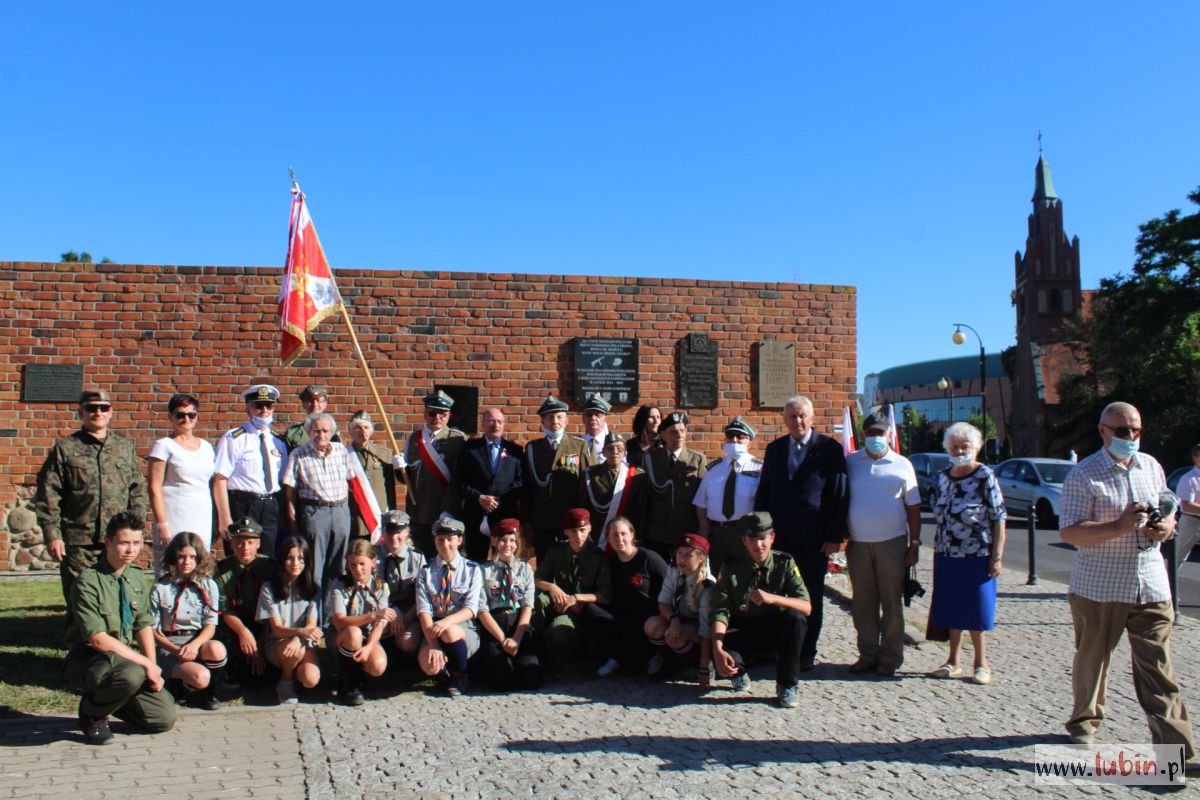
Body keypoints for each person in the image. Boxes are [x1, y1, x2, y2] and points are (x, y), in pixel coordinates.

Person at [1059, 402, 1195, 759]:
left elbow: (1168, 505)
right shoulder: (1083, 474)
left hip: (1151, 584)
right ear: (1103, 431)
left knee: (1158, 669)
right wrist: (1118, 525)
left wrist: (1166, 527)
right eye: (1123, 431)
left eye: (1136, 430)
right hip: (1099, 587)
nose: (1131, 436)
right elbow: (1070, 531)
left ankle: (1176, 753)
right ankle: (1084, 722)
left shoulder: (1151, 465)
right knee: (1093, 660)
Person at [754, 395, 849, 671]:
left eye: (802, 416)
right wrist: (760, 531)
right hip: (779, 537)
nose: (798, 421)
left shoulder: (829, 448)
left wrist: (834, 536)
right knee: (776, 592)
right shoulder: (775, 449)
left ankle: (806, 651)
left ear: (812, 418)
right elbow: (765, 491)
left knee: (810, 594)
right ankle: (778, 647)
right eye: (792, 416)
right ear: (784, 420)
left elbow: (839, 494)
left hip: (814, 538)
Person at [64, 512, 175, 745]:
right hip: (90, 660)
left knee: (163, 719)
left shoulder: (135, 577)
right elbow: (97, 639)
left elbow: (143, 624)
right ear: (108, 542)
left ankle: (114, 700)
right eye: (124, 543)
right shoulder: (87, 581)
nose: (130, 550)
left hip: (124, 660)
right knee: (131, 674)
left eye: (136, 543)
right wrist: (144, 664)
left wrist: (152, 666)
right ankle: (92, 714)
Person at [38, 389, 147, 601]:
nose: (98, 412)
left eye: (103, 408)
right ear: (81, 413)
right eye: (91, 408)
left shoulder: (124, 448)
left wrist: (136, 531)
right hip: (79, 540)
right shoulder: (66, 449)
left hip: (118, 539)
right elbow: (48, 494)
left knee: (117, 595)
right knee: (81, 596)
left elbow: (137, 492)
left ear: (110, 412)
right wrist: (53, 535)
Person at [927, 421, 1006, 686]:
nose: (959, 451)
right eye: (954, 447)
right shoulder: (944, 476)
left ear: (976, 447)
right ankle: (953, 661)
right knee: (951, 607)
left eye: (965, 446)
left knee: (977, 609)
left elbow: (999, 517)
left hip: (977, 555)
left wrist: (997, 556)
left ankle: (981, 663)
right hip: (947, 554)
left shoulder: (984, 476)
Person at [844, 410, 922, 677]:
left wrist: (915, 543)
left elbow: (913, 508)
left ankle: (890, 657)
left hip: (892, 542)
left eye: (879, 433)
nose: (875, 437)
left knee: (892, 603)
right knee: (863, 603)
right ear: (863, 435)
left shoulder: (902, 464)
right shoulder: (851, 462)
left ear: (888, 435)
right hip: (858, 543)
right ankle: (867, 654)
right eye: (870, 433)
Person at [709, 512, 812, 709]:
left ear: (772, 537)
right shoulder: (731, 567)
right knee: (725, 653)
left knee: (796, 618)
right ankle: (738, 673)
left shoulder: (784, 563)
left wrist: (773, 598)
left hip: (774, 629)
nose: (758, 545)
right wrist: (717, 649)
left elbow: (806, 607)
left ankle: (787, 685)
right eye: (752, 539)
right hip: (743, 628)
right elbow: (720, 610)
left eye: (763, 538)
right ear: (743, 540)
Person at [149, 532, 227, 710]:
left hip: (197, 642)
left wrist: (194, 645)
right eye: (181, 557)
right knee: (200, 677)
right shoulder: (160, 588)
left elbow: (210, 625)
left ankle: (209, 693)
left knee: (217, 649)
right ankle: (179, 687)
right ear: (173, 558)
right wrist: (176, 651)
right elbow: (153, 631)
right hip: (170, 646)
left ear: (199, 559)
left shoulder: (208, 585)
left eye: (192, 557)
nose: (187, 562)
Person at [282, 412, 356, 593]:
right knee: (315, 564)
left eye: (325, 431)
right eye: (316, 431)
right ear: (309, 432)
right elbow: (290, 492)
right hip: (315, 512)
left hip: (340, 511)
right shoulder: (298, 454)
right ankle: (315, 606)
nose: (321, 435)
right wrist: (292, 522)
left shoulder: (341, 451)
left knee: (339, 563)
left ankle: (335, 605)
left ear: (332, 432)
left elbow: (352, 482)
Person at [534, 508, 614, 671]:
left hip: (579, 608)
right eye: (573, 531)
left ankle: (560, 661)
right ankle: (533, 650)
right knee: (536, 601)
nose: (578, 536)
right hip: (558, 600)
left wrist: (576, 598)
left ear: (589, 528)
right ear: (566, 532)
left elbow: (605, 595)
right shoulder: (557, 551)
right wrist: (552, 587)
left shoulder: (598, 557)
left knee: (557, 633)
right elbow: (536, 579)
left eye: (582, 530)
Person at [212, 384, 288, 556]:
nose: (264, 410)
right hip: (244, 505)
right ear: (248, 409)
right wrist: (224, 517)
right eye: (258, 406)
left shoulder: (279, 442)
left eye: (268, 405)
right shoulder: (234, 438)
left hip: (271, 506)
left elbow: (282, 480)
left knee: (269, 559)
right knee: (241, 557)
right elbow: (220, 479)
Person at [414, 517, 484, 697]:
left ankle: (461, 674)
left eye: (450, 539)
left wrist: (447, 622)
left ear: (459, 540)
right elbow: (424, 610)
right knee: (429, 664)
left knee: (450, 631)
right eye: (440, 540)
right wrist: (433, 644)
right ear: (435, 541)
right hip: (434, 627)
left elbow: (471, 609)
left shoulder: (472, 569)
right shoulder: (426, 572)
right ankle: (445, 673)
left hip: (462, 627)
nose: (445, 544)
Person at [147, 393, 215, 576]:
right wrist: (162, 524)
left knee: (200, 566)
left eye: (191, 415)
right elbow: (154, 488)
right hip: (175, 514)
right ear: (170, 417)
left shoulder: (207, 447)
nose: (186, 419)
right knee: (172, 567)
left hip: (202, 515)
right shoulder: (163, 446)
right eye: (180, 415)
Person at [394, 390, 467, 556]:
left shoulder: (457, 440)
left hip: (446, 510)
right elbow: (407, 479)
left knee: (446, 557)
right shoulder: (414, 439)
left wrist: (449, 508)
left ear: (449, 415)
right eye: (432, 413)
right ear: (425, 414)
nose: (437, 417)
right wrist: (399, 469)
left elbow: (460, 478)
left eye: (443, 414)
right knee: (421, 557)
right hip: (420, 511)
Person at [446, 407, 524, 562]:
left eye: (500, 421)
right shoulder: (469, 449)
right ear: (482, 424)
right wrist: (479, 497)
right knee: (475, 559)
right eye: (491, 421)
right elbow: (459, 481)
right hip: (476, 513)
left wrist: (499, 500)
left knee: (504, 559)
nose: (496, 425)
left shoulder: (515, 450)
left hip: (505, 513)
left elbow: (520, 481)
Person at [476, 518, 542, 690]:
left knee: (531, 680)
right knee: (502, 681)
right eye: (503, 540)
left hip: (518, 625)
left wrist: (517, 638)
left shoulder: (524, 569)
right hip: (495, 627)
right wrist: (503, 640)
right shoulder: (483, 571)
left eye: (512, 540)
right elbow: (482, 609)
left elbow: (527, 605)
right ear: (493, 541)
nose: (508, 545)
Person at [523, 395, 591, 559]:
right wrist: (526, 521)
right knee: (544, 563)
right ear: (543, 422)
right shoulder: (532, 448)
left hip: (570, 519)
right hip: (541, 519)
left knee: (571, 563)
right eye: (550, 417)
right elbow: (526, 487)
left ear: (566, 421)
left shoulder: (579, 446)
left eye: (559, 417)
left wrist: (583, 516)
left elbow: (586, 485)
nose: (555, 421)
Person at [327, 539, 394, 706]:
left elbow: (380, 624)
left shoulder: (381, 586)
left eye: (362, 564)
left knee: (378, 665)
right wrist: (372, 615)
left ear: (373, 562)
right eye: (353, 565)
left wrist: (369, 647)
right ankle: (347, 685)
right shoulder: (340, 584)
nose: (357, 569)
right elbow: (340, 622)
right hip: (342, 637)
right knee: (354, 633)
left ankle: (359, 678)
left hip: (368, 636)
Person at [257, 536, 323, 704]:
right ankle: (285, 680)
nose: (295, 563)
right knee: (295, 650)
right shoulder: (269, 588)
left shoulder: (314, 588)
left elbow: (311, 625)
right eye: (290, 558)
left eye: (300, 558)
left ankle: (298, 675)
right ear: (282, 561)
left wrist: (298, 638)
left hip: (305, 642)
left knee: (311, 679)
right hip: (277, 643)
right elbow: (277, 629)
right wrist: (300, 633)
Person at [600, 517, 669, 677]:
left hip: (650, 617)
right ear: (608, 539)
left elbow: (670, 588)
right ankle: (616, 657)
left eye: (623, 533)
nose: (619, 539)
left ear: (632, 534)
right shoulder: (610, 563)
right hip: (623, 616)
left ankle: (656, 655)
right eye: (614, 535)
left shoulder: (649, 558)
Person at [645, 533, 716, 685]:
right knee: (653, 625)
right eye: (679, 553)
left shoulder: (707, 585)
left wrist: (704, 667)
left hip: (700, 630)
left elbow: (706, 629)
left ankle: (699, 663)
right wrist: (674, 620)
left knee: (677, 636)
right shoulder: (673, 570)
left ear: (701, 558)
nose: (681, 559)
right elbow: (663, 602)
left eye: (688, 555)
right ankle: (670, 662)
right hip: (679, 619)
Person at [214, 516, 276, 691]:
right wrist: (243, 632)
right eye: (239, 543)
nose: (245, 548)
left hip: (265, 625)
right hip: (236, 626)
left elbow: (274, 612)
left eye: (250, 542)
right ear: (232, 544)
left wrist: (260, 645)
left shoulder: (271, 568)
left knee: (265, 675)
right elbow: (226, 610)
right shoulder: (222, 571)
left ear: (258, 543)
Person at [636, 412, 708, 560]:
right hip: (657, 530)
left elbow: (703, 497)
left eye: (682, 431)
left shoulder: (697, 459)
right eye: (674, 432)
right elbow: (644, 496)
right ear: (663, 435)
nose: (679, 435)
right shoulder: (651, 458)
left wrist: (703, 527)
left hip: (686, 528)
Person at [694, 416, 763, 571]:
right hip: (716, 534)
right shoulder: (713, 469)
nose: (735, 440)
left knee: (744, 576)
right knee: (716, 576)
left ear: (749, 443)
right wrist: (704, 528)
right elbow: (701, 503)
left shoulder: (760, 469)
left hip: (745, 534)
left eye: (740, 436)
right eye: (730, 436)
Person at [375, 510, 427, 661]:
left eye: (398, 532)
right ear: (382, 532)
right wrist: (391, 611)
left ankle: (403, 657)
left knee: (407, 641)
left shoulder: (417, 557)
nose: (394, 537)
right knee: (381, 628)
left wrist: (406, 617)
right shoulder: (372, 556)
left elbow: (423, 595)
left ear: (406, 532)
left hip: (408, 611)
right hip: (380, 609)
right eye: (389, 532)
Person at [579, 433, 642, 545]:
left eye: (619, 448)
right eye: (610, 448)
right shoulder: (591, 475)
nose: (615, 452)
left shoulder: (637, 475)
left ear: (625, 451)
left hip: (626, 537)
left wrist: (639, 537)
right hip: (599, 535)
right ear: (604, 452)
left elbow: (641, 510)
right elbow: (583, 507)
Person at [347, 411, 395, 541]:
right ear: (350, 431)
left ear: (371, 430)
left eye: (366, 427)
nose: (362, 431)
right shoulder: (343, 455)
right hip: (355, 517)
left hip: (379, 515)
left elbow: (390, 488)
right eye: (357, 427)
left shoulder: (384, 454)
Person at [284, 385, 340, 451]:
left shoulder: (333, 432)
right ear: (304, 404)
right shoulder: (292, 433)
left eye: (318, 400)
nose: (314, 404)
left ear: (325, 404)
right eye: (310, 400)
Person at [1176, 444, 1200, 562]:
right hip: (1191, 521)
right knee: (1178, 557)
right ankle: (1169, 574)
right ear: (1196, 458)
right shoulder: (1188, 478)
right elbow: (1186, 505)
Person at [626, 404, 663, 469]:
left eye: (658, 417)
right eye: (651, 417)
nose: (656, 421)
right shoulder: (630, 445)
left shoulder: (665, 443)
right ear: (642, 420)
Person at [579, 394, 611, 464]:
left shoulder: (612, 444)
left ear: (605, 419)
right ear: (583, 419)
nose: (593, 418)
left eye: (597, 415)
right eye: (589, 415)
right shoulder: (577, 443)